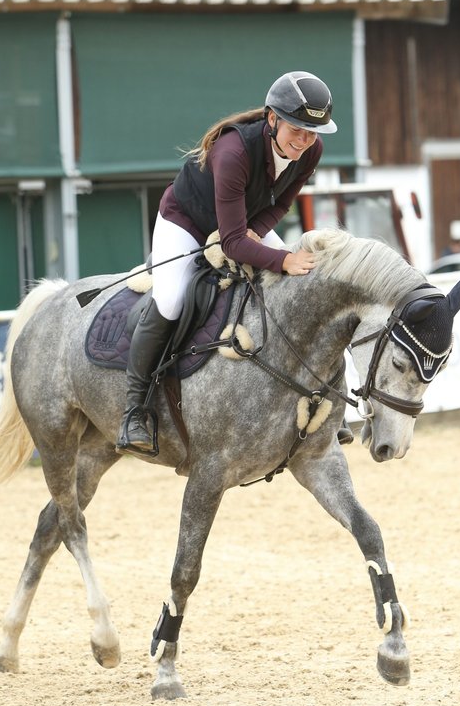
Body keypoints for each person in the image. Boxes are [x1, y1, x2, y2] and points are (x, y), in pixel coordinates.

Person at [117, 71, 350, 456]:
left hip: (243, 223)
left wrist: (264, 242)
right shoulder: (233, 152)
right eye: (297, 130)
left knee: (304, 286)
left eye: (313, 132)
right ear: (273, 119)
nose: (305, 141)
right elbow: (231, 242)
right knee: (172, 299)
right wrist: (281, 258)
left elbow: (278, 205)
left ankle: (331, 401)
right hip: (186, 223)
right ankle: (135, 409)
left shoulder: (311, 150)